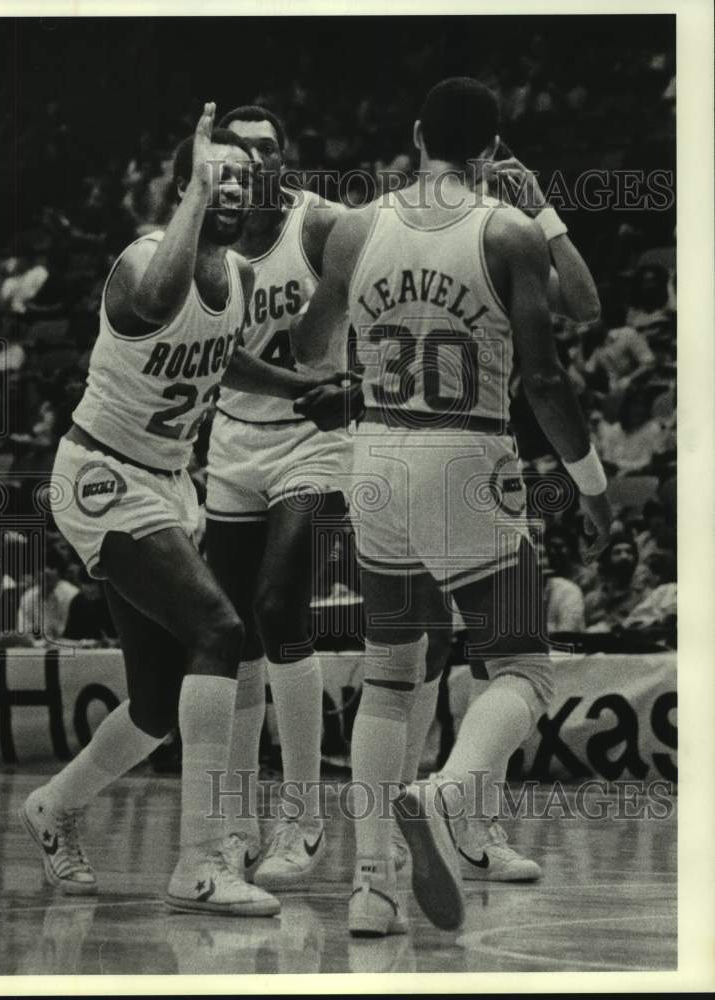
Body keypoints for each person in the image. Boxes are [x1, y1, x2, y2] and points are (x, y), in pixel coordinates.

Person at [292, 77, 611, 936]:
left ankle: (370, 889)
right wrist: (589, 481)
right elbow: (545, 376)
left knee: (392, 676)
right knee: (524, 665)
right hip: (466, 453)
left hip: (375, 455)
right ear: (491, 149)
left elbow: (310, 346)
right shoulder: (504, 229)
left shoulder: (358, 226)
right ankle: (442, 798)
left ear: (417, 132)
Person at [19, 104, 340, 917]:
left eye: (239, 180)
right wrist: (196, 195)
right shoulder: (140, 265)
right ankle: (200, 861)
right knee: (222, 629)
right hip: (101, 477)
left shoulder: (232, 278)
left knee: (158, 705)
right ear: (186, 188)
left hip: (166, 485)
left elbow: (226, 358)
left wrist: (304, 389)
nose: (232, 190)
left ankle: (53, 807)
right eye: (214, 179)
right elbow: (160, 304)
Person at [202, 105, 350, 889]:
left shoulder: (322, 226)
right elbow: (216, 358)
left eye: (270, 147)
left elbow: (388, 287)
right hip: (232, 442)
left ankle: (304, 817)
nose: (257, 160)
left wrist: (357, 383)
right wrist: (301, 381)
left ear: (285, 158)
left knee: (278, 604)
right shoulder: (205, 242)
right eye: (242, 149)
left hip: (315, 441)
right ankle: (234, 824)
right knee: (228, 634)